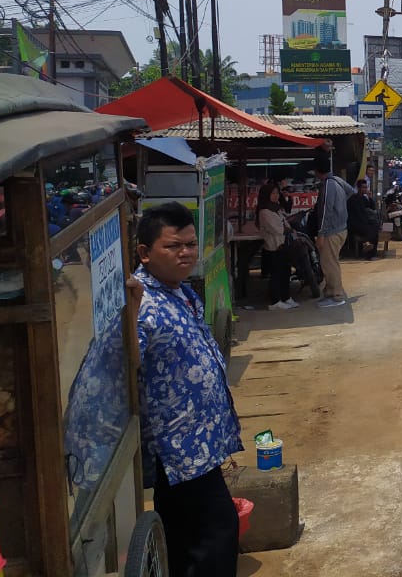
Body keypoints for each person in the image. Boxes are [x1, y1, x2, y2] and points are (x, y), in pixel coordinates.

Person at [133, 202, 242, 576]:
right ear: (144, 253)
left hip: (200, 446)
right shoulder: (141, 305)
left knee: (186, 541)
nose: (186, 253)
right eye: (173, 246)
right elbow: (125, 363)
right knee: (216, 535)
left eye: (190, 245)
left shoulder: (176, 291)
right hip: (178, 451)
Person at [309, 153, 351, 307]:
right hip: (341, 228)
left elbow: (326, 212)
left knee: (330, 264)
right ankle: (329, 292)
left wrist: (321, 234)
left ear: (317, 171)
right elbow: (351, 191)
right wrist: (341, 207)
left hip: (331, 232)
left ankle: (336, 296)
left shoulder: (328, 185)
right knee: (330, 262)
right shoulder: (338, 181)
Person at [257, 183, 297, 309]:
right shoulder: (264, 211)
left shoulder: (277, 209)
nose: (276, 196)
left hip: (283, 246)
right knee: (276, 275)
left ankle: (286, 297)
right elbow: (278, 229)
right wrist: (287, 228)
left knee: (285, 272)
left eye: (277, 193)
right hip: (273, 247)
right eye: (273, 193)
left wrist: (288, 228)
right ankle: (275, 301)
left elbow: (286, 225)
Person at [346, 178, 381, 259]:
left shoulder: (364, 198)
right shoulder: (353, 199)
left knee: (375, 228)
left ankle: (371, 252)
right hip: (355, 224)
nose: (365, 189)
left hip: (363, 222)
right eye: (363, 187)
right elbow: (357, 215)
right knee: (371, 230)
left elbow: (371, 207)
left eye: (366, 187)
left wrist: (370, 197)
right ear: (359, 188)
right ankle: (368, 252)